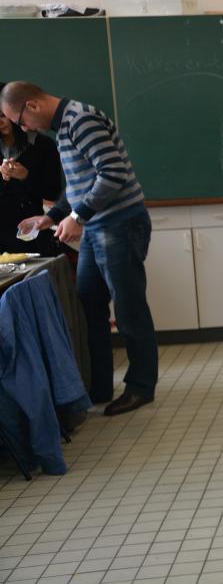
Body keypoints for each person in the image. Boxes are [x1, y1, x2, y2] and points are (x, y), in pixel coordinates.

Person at [0, 82, 158, 416]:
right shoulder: (64, 127)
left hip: (120, 224)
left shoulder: (81, 120)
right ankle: (98, 387)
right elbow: (78, 185)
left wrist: (77, 216)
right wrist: (52, 217)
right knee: (88, 305)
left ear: (32, 105)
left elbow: (112, 173)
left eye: (21, 121)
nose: (24, 129)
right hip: (98, 228)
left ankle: (141, 387)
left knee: (129, 309)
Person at [0, 83, 62, 256]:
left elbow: (53, 192)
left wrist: (26, 176)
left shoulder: (43, 145)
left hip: (32, 233)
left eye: (3, 116)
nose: (0, 123)